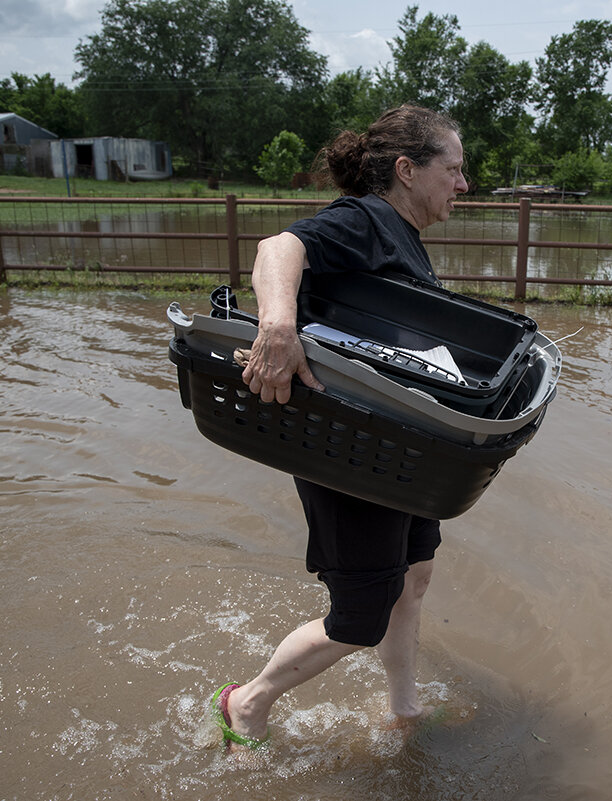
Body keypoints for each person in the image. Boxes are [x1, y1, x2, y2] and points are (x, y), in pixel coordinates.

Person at [211, 105, 470, 750]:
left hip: (395, 446)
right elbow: (279, 248)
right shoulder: (366, 219)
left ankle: (404, 708)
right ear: (407, 171)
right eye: (454, 169)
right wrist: (277, 329)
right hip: (349, 449)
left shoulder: (402, 236)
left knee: (415, 575)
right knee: (360, 618)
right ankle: (247, 702)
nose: (463, 185)